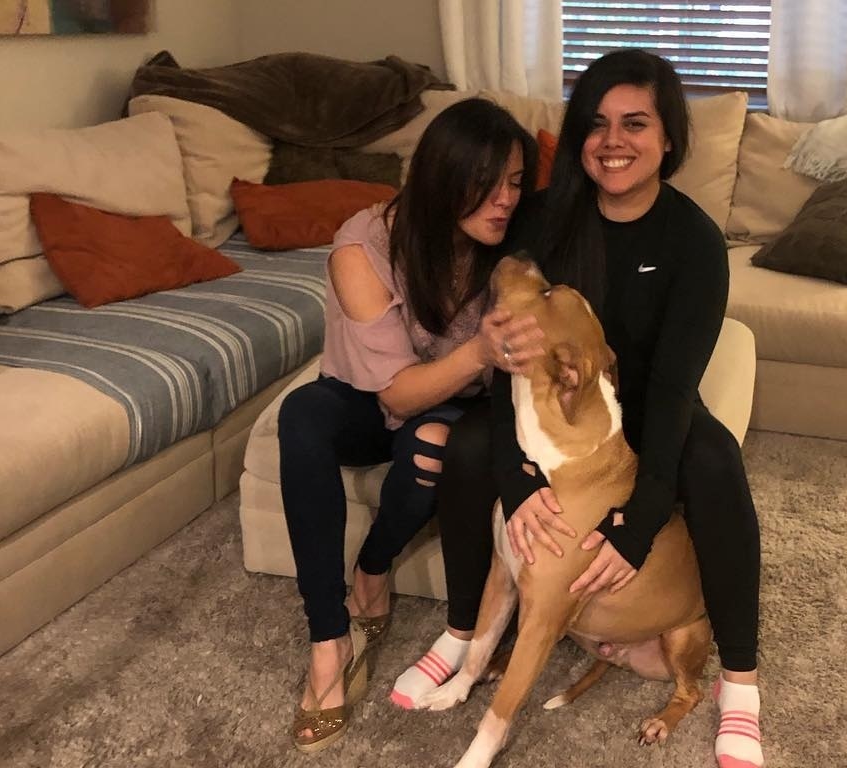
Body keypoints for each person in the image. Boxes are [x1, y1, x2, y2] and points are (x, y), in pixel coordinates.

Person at [414, 50, 765, 767]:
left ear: (668, 138)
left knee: (714, 460)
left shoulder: (695, 241)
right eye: (597, 123)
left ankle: (740, 680)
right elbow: (508, 353)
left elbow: (672, 391)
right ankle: (459, 631)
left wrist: (637, 526)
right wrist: (519, 481)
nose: (613, 141)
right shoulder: (546, 220)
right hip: (549, 406)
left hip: (647, 404)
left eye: (635, 123)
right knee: (470, 447)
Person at [277, 97, 541, 752]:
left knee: (433, 442)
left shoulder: (514, 243)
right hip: (370, 394)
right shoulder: (364, 246)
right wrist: (480, 350)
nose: (505, 200)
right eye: (488, 183)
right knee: (301, 416)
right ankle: (328, 639)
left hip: (450, 402)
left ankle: (373, 567)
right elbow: (395, 391)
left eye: (515, 182)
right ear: (441, 177)